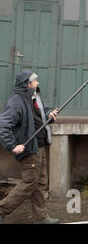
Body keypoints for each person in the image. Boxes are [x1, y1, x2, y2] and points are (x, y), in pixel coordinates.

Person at [0, 71, 59, 224]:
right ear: (27, 83)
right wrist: (12, 145)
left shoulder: (35, 98)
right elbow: (3, 125)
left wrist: (49, 114)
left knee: (39, 183)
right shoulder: (16, 102)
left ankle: (41, 218)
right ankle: (1, 210)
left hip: (40, 146)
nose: (37, 83)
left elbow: (43, 112)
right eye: (35, 81)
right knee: (29, 183)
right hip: (29, 149)